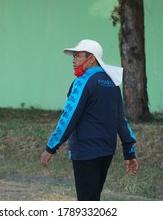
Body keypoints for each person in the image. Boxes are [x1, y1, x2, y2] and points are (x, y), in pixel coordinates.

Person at [41, 39, 138, 201]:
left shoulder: (83, 81)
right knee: (93, 199)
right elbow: (121, 121)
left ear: (91, 58)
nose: (73, 60)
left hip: (86, 152)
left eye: (78, 56)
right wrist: (129, 152)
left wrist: (51, 147)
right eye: (74, 56)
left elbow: (68, 117)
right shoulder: (112, 83)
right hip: (106, 152)